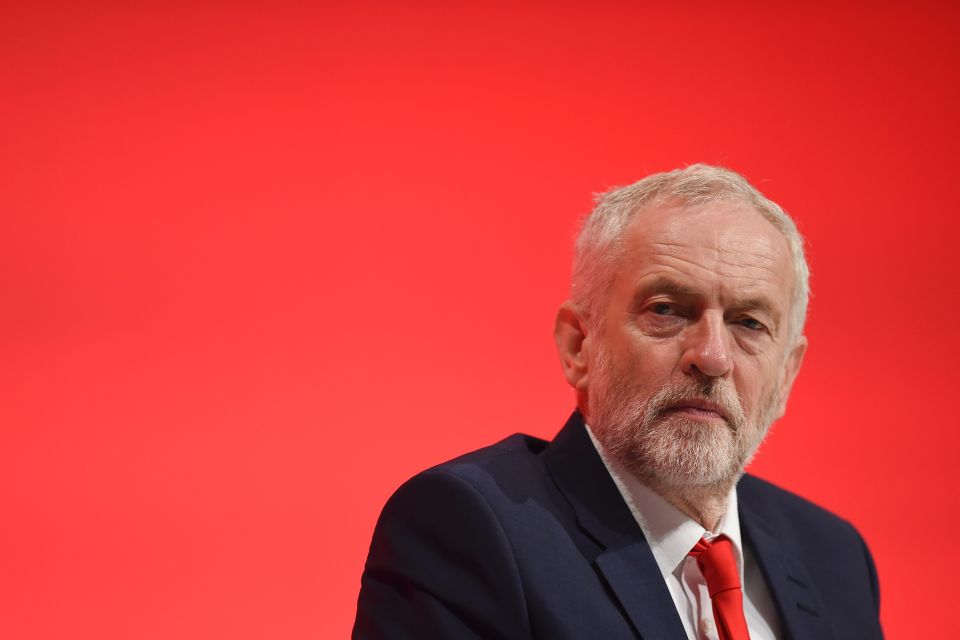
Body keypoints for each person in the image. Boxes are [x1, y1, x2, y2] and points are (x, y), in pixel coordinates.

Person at [353, 165, 883, 639]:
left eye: (749, 323)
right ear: (579, 345)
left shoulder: (833, 556)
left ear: (787, 375)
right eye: (668, 309)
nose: (713, 356)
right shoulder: (468, 527)